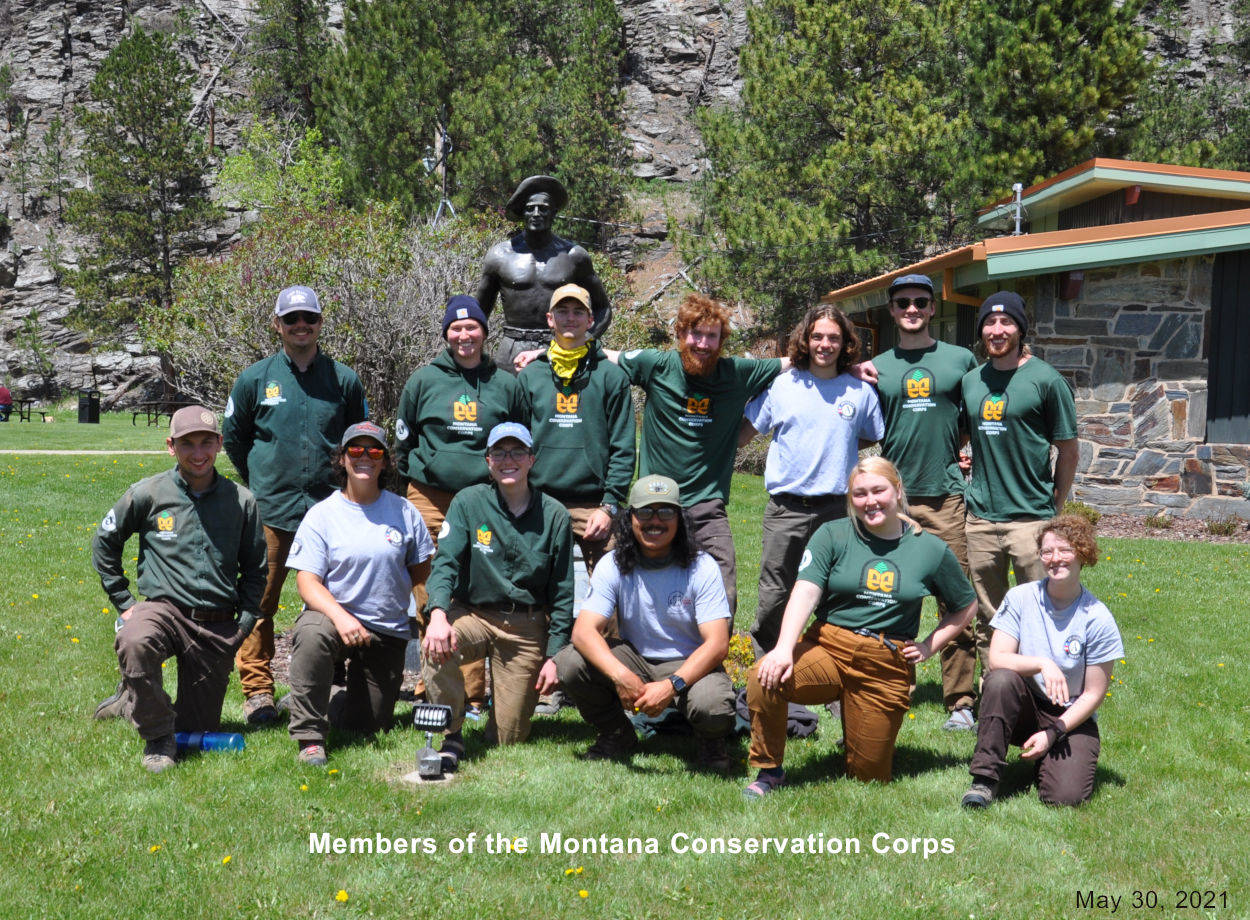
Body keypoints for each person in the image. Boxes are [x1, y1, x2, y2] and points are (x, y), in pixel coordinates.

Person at [743, 457, 977, 795]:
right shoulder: (833, 534)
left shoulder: (929, 548)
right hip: (829, 645)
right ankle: (769, 771)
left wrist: (929, 645)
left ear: (897, 490)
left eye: (878, 491)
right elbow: (806, 590)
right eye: (860, 494)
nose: (870, 501)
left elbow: (965, 605)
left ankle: (856, 726)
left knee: (868, 777)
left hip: (885, 660)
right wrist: (782, 649)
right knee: (765, 675)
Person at [222, 285, 368, 726]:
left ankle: (332, 682)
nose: (300, 326)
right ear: (277, 325)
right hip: (272, 511)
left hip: (330, 513)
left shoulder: (343, 379)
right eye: (291, 320)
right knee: (258, 601)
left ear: (321, 323)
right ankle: (258, 692)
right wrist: (259, 481)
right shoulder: (254, 379)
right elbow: (234, 437)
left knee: (335, 599)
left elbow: (357, 437)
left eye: (309, 318)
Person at [92, 406, 266, 773]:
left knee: (197, 729)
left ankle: (132, 700)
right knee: (135, 640)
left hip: (216, 625)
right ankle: (156, 738)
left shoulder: (242, 501)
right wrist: (124, 601)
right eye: (188, 444)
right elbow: (105, 541)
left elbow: (255, 570)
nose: (198, 453)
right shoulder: (148, 493)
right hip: (163, 611)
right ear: (171, 446)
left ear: (219, 443)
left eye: (206, 442)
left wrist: (243, 626)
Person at [601, 294, 784, 613]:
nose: (702, 343)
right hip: (653, 502)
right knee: (630, 586)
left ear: (721, 340)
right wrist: (544, 352)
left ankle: (711, 658)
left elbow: (793, 362)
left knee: (724, 593)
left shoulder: (737, 373)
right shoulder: (657, 365)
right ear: (681, 334)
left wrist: (853, 366)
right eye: (695, 334)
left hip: (706, 506)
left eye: (711, 336)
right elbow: (604, 356)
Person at [394, 295, 526, 714]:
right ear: (446, 334)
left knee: (477, 585)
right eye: (456, 328)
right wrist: (424, 470)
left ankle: (472, 694)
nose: (465, 335)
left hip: (485, 499)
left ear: (485, 333)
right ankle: (430, 684)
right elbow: (403, 439)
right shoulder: (424, 380)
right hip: (429, 497)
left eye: (473, 328)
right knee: (429, 589)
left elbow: (520, 438)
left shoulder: (506, 384)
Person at [556, 475, 735, 770]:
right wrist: (621, 676)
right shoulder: (612, 564)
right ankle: (617, 734)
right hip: (634, 659)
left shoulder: (702, 566)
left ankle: (711, 744)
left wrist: (670, 686)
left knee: (712, 704)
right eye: (645, 512)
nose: (655, 521)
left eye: (665, 512)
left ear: (680, 520)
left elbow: (717, 644)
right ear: (630, 520)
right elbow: (584, 632)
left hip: (689, 662)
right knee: (571, 663)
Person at [420, 423, 575, 760]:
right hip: (474, 615)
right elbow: (444, 563)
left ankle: (500, 716)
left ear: (531, 459)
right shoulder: (468, 503)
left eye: (517, 451)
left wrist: (554, 656)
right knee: (435, 647)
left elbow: (563, 594)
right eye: (499, 452)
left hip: (526, 628)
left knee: (507, 739)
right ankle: (452, 734)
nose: (509, 460)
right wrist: (437, 615)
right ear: (487, 460)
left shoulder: (555, 516)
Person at [284, 422, 435, 766]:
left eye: (374, 451)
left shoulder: (404, 511)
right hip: (334, 619)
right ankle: (310, 735)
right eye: (355, 450)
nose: (364, 457)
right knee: (311, 634)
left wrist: (434, 620)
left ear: (385, 461)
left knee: (365, 726)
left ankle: (328, 697)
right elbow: (307, 582)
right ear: (342, 459)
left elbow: (423, 576)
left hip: (385, 630)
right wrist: (340, 617)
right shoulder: (322, 515)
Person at [740, 304, 883, 657]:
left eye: (833, 338)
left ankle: (830, 668)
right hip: (786, 509)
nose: (825, 344)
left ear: (845, 343)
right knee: (775, 594)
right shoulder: (782, 385)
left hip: (836, 511)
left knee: (837, 592)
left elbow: (870, 435)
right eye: (817, 336)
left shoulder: (859, 391)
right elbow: (745, 431)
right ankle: (767, 668)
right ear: (805, 339)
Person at [870, 273, 980, 730]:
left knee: (956, 596)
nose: (912, 309)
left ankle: (961, 701)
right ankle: (895, 687)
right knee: (891, 593)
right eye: (902, 303)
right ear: (892, 311)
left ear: (933, 308)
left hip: (947, 496)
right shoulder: (877, 366)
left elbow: (983, 404)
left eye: (920, 302)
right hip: (894, 501)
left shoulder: (960, 360)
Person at [962, 292, 1079, 695]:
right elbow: (967, 435)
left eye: (1006, 323)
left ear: (1020, 329)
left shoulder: (1046, 380)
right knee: (988, 617)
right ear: (981, 331)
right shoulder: (972, 381)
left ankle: (1048, 695)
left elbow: (1068, 449)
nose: (997, 331)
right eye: (989, 325)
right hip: (979, 519)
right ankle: (994, 694)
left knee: (1044, 612)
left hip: (1031, 517)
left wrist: (1055, 508)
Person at [962, 515, 1123, 807]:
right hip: (1024, 706)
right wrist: (1042, 664)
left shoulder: (1098, 617)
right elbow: (997, 659)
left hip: (1070, 718)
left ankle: (1048, 759)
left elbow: (1094, 693)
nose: (1055, 558)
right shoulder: (1021, 597)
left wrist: (1055, 732)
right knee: (1000, 679)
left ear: (1083, 554)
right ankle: (985, 779)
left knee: (1064, 798)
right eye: (1047, 551)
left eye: (1065, 550)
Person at [518, 283, 635, 581]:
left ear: (590, 320)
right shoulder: (531, 376)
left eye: (578, 312)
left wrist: (609, 506)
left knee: (612, 596)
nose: (570, 318)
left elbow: (623, 446)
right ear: (549, 319)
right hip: (539, 502)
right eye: (563, 311)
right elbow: (517, 444)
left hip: (594, 505)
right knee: (534, 592)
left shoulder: (611, 376)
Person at [476, 175, 612, 372]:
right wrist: (472, 355)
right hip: (511, 351)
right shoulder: (500, 255)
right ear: (522, 212)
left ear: (554, 213)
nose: (536, 213)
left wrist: (582, 341)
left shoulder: (574, 256)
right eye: (530, 208)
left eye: (544, 208)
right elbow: (479, 312)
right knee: (510, 402)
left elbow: (603, 309)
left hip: (560, 350)